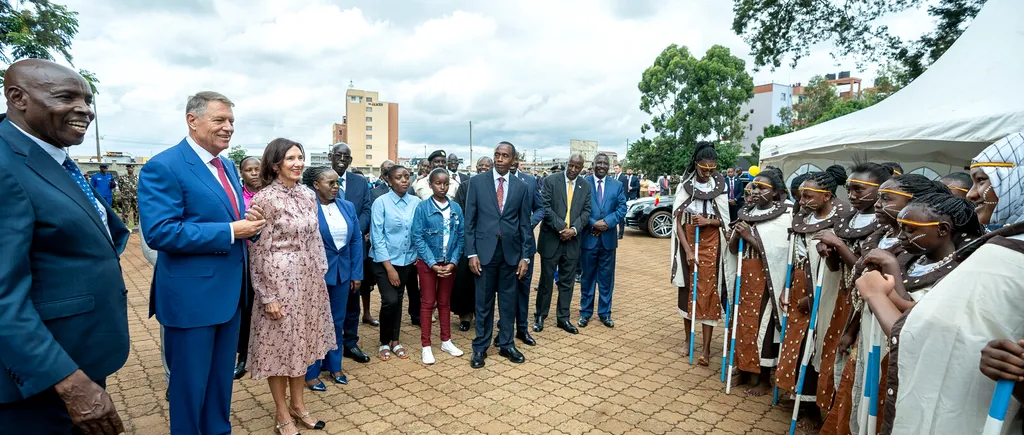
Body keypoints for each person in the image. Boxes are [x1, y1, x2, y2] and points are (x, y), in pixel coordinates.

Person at [858, 133, 1024, 435]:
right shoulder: (997, 249)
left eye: (983, 181)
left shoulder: (1000, 256)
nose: (972, 194)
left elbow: (931, 335)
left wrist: (878, 296)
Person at [0, 59, 130, 435]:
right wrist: (69, 382)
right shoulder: (6, 165)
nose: (85, 109)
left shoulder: (54, 160)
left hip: (80, 356)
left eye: (88, 100)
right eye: (66, 97)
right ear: (17, 97)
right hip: (39, 380)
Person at [139, 91, 265, 434]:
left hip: (228, 297)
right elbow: (160, 232)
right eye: (220, 120)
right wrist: (229, 230)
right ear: (192, 120)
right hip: (191, 300)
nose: (228, 128)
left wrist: (247, 222)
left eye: (232, 122)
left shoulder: (224, 165)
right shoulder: (164, 166)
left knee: (220, 384)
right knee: (189, 388)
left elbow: (227, 217)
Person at [246, 139, 334, 434]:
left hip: (308, 282)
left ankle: (299, 405)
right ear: (275, 165)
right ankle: (282, 414)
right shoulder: (264, 200)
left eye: (301, 157)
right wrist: (267, 294)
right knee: (279, 349)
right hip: (278, 282)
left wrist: (320, 272)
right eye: (291, 159)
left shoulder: (309, 195)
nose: (298, 163)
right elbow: (257, 251)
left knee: (303, 346)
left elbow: (315, 238)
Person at [811, 162, 890, 421]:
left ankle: (842, 419)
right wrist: (828, 251)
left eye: (859, 190)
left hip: (864, 305)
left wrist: (837, 244)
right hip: (842, 297)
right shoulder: (848, 221)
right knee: (831, 354)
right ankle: (826, 416)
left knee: (851, 364)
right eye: (850, 189)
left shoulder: (884, 227)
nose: (853, 196)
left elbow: (864, 271)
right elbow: (836, 267)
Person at [774, 165, 849, 430]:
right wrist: (789, 287)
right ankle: (799, 398)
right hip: (800, 291)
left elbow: (839, 269)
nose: (802, 201)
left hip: (827, 294)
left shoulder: (842, 222)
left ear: (827, 195)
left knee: (821, 346)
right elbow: (795, 258)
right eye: (801, 196)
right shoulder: (802, 218)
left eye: (808, 196)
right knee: (799, 343)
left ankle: (816, 408)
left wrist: (816, 298)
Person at [464, 142, 534, 368]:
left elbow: (525, 224)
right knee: (483, 303)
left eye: (505, 156)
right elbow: (469, 222)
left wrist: (525, 256)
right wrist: (471, 253)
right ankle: (480, 347)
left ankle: (506, 344)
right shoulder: (476, 183)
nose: (500, 159)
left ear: (513, 160)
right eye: (497, 155)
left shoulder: (522, 188)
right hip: (484, 253)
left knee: (508, 302)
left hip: (511, 254)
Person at [724, 167, 792, 396]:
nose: (755, 191)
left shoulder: (785, 216)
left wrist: (750, 238)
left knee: (764, 326)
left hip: (767, 279)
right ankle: (744, 368)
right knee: (742, 323)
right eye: (754, 186)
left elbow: (778, 254)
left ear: (776, 192)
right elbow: (733, 249)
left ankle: (764, 379)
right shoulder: (746, 211)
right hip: (745, 277)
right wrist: (736, 235)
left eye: (762, 187)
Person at [300, 166, 363, 391]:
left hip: (342, 273)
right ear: (316, 185)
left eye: (338, 183)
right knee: (314, 322)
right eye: (330, 183)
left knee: (337, 320)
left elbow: (356, 241)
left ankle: (334, 366)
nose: (336, 187)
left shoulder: (347, 207)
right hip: (314, 275)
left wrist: (356, 273)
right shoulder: (306, 208)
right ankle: (311, 372)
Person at [669, 142, 730, 366]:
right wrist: (686, 251)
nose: (707, 173)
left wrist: (708, 221)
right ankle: (688, 341)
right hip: (688, 241)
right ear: (696, 164)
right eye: (703, 169)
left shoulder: (721, 187)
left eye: (712, 169)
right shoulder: (684, 187)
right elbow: (677, 222)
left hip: (712, 244)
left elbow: (725, 222)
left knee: (709, 294)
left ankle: (705, 349)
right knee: (688, 293)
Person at [412, 168, 466, 364]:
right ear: (430, 184)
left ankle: (446, 340)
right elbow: (417, 237)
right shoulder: (422, 208)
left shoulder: (456, 208)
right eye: (438, 183)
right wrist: (433, 263)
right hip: (428, 264)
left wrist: (453, 261)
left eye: (445, 183)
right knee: (427, 303)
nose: (442, 187)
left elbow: (461, 238)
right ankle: (426, 345)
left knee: (444, 302)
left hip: (448, 264)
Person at [328, 142, 374, 365]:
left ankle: (350, 343)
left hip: (354, 251)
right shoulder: (316, 180)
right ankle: (327, 347)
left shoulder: (360, 182)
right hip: (327, 254)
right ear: (330, 156)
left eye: (346, 156)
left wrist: (354, 229)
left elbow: (366, 209)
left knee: (352, 301)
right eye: (338, 155)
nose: (342, 159)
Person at [535, 154, 591, 335]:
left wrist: (573, 230)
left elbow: (586, 212)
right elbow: (545, 207)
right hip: (552, 238)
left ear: (582, 168)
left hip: (572, 241)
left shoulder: (585, 186)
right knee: (546, 281)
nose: (573, 170)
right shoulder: (551, 181)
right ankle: (540, 316)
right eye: (571, 165)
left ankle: (563, 318)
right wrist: (561, 228)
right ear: (567, 164)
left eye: (577, 167)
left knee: (567, 282)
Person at [370, 165, 421, 361]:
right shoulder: (381, 203)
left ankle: (395, 341)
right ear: (389, 181)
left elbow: (418, 231)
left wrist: (417, 254)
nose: (404, 181)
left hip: (407, 260)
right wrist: (389, 268)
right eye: (399, 177)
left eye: (407, 177)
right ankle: (383, 342)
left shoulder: (416, 202)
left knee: (398, 301)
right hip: (384, 261)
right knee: (389, 300)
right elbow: (377, 236)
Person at [579, 153, 626, 328]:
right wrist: (593, 224)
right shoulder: (584, 183)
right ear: (593, 164)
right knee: (588, 278)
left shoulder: (617, 185)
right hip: (588, 238)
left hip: (608, 239)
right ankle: (585, 312)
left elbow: (622, 208)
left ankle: (605, 313)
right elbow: (580, 207)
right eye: (598, 162)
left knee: (606, 278)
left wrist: (607, 222)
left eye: (605, 163)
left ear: (609, 166)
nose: (601, 165)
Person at [505, 153, 543, 346]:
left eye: (511, 160)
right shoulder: (498, 182)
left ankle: (522, 329)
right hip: (504, 246)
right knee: (505, 290)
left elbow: (540, 207)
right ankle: (505, 330)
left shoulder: (529, 181)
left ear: (516, 162)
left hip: (525, 244)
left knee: (523, 288)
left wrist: (529, 223)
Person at [453, 156, 493, 331]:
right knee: (464, 280)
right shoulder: (465, 186)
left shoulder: (496, 187)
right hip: (468, 239)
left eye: (487, 166)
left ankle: (481, 315)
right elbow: (459, 213)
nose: (484, 168)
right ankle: (465, 316)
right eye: (481, 166)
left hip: (488, 241)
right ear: (476, 168)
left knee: (484, 280)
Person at [234, 156, 261, 380]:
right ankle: (244, 354)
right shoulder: (235, 196)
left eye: (257, 169)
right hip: (244, 258)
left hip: (271, 260)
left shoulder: (272, 194)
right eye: (248, 170)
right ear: (241, 173)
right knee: (247, 306)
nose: (253, 173)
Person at [358, 159, 394, 329]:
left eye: (391, 169)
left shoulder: (406, 190)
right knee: (366, 282)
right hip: (371, 242)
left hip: (394, 246)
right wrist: (367, 233)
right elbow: (370, 214)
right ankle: (365, 313)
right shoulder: (375, 192)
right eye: (385, 169)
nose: (388, 172)